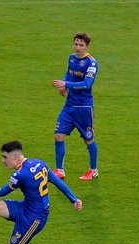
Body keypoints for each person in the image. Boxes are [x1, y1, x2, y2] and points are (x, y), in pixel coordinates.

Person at [51, 32, 100, 181]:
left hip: (84, 107)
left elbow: (86, 84)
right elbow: (69, 73)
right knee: (58, 135)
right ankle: (60, 170)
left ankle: (93, 170)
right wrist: (64, 84)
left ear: (87, 46)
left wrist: (66, 84)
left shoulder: (91, 63)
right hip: (69, 105)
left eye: (81, 45)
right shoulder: (72, 58)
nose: (78, 48)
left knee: (88, 140)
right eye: (76, 44)